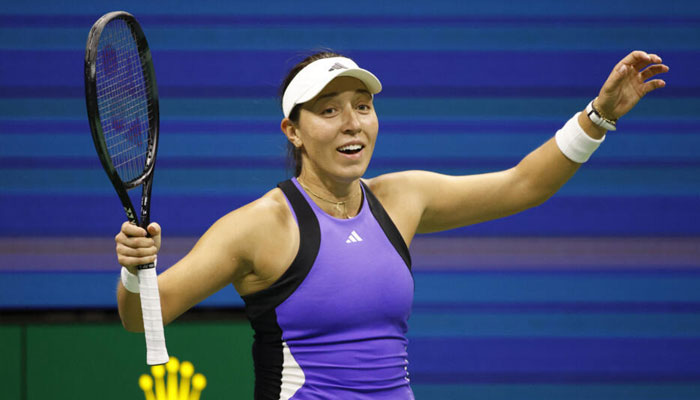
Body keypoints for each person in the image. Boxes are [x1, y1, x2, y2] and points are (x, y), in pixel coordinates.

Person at [115, 50, 668, 399]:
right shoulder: (260, 225)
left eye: (362, 105)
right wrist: (134, 270)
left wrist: (598, 118)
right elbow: (145, 317)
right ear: (293, 130)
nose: (352, 123)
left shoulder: (402, 198)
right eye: (329, 110)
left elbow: (524, 184)